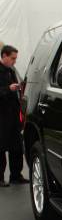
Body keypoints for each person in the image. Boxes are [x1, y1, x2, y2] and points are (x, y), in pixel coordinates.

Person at [0, 45, 29, 186]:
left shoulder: (11, 71)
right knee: (1, 148)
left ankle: (16, 176)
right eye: (12, 58)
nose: (14, 61)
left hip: (13, 115)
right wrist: (7, 89)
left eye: (16, 58)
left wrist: (18, 87)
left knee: (17, 147)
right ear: (4, 56)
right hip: (2, 116)